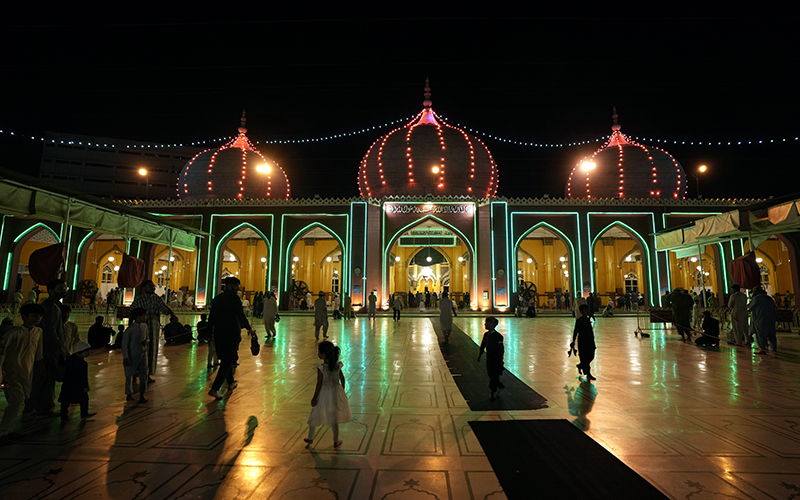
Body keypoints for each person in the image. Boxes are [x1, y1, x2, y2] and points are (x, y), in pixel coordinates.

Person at [0, 304, 44, 441]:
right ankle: (3, 432)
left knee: (18, 401)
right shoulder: (14, 333)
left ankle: (8, 430)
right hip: (11, 373)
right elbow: (2, 351)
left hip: (27, 372)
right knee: (16, 401)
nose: (37, 318)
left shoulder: (38, 332)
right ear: (24, 317)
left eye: (39, 316)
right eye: (33, 315)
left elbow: (38, 353)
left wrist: (41, 368)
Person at [208, 277, 255, 400]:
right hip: (231, 333)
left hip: (219, 334)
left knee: (225, 359)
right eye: (235, 286)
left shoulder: (217, 299)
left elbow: (211, 317)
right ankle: (215, 388)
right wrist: (249, 329)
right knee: (228, 361)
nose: (237, 288)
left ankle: (230, 383)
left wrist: (208, 334)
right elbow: (240, 315)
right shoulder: (234, 299)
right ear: (229, 286)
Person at [26, 279, 68, 417]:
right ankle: (42, 408)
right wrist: (59, 346)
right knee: (45, 378)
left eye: (64, 288)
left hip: (50, 349)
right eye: (60, 288)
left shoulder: (55, 305)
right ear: (51, 291)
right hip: (48, 350)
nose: (63, 291)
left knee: (47, 379)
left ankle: (41, 406)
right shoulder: (50, 306)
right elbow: (49, 329)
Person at [303, 340, 352, 448]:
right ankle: (336, 440)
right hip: (334, 393)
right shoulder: (337, 366)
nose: (318, 353)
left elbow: (319, 384)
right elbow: (342, 379)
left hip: (323, 394)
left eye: (319, 352)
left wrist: (315, 397)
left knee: (315, 414)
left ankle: (311, 438)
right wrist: (341, 390)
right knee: (334, 418)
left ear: (323, 355)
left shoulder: (321, 369)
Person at [129, 279, 177, 383]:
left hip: (153, 328)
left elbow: (165, 309)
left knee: (152, 351)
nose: (152, 288)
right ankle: (135, 373)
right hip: (141, 328)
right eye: (149, 286)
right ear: (144, 288)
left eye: (152, 286)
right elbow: (130, 311)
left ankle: (147, 374)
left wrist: (172, 314)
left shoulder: (157, 299)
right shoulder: (139, 299)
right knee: (139, 350)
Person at [58, 340, 94, 421]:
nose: (88, 352)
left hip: (67, 384)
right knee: (84, 400)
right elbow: (83, 376)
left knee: (65, 401)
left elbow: (61, 365)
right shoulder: (83, 364)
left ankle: (64, 416)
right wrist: (85, 386)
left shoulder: (69, 360)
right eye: (87, 351)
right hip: (78, 386)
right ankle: (84, 414)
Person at [122, 308, 150, 403]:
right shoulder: (130, 329)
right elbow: (124, 344)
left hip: (143, 354)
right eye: (144, 315)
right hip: (132, 355)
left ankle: (142, 394)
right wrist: (126, 357)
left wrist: (146, 341)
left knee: (144, 374)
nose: (146, 317)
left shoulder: (145, 326)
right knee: (129, 375)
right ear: (138, 317)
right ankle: (129, 394)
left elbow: (147, 337)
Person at [477, 317, 505, 400]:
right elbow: (483, 345)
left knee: (495, 375)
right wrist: (480, 354)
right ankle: (500, 385)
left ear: (492, 325)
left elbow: (501, 350)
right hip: (489, 357)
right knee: (490, 374)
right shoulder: (486, 335)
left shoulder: (498, 337)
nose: (485, 324)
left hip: (496, 359)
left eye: (487, 323)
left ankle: (493, 391)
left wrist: (501, 360)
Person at [571, 304, 596, 381]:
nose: (587, 312)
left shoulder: (588, 320)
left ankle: (581, 365)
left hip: (590, 340)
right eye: (585, 310)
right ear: (582, 312)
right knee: (584, 357)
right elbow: (575, 332)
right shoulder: (579, 321)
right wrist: (573, 342)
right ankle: (588, 373)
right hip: (582, 341)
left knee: (591, 355)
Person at [749, 286, 777, 355]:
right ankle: (774, 348)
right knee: (771, 334)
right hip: (771, 318)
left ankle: (762, 348)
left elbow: (750, 308)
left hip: (760, 319)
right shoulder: (769, 298)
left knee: (760, 335)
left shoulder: (756, 299)